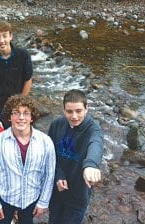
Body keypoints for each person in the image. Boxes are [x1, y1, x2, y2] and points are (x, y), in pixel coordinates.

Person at [0, 95, 55, 224]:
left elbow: (49, 174)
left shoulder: (46, 142)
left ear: (32, 117)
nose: (21, 118)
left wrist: (43, 202)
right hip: (6, 197)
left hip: (31, 198)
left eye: (26, 113)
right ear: (9, 116)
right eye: (16, 113)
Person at [48, 89, 104, 224]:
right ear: (63, 110)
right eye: (69, 111)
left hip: (78, 196)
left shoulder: (93, 129)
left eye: (78, 111)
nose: (74, 116)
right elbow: (50, 154)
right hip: (57, 191)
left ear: (86, 109)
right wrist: (59, 175)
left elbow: (96, 144)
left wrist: (91, 165)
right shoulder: (57, 125)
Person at [0, 21, 33, 119]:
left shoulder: (23, 55)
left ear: (11, 36)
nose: (1, 40)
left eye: (4, 36)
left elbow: (28, 79)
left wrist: (21, 101)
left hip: (18, 102)